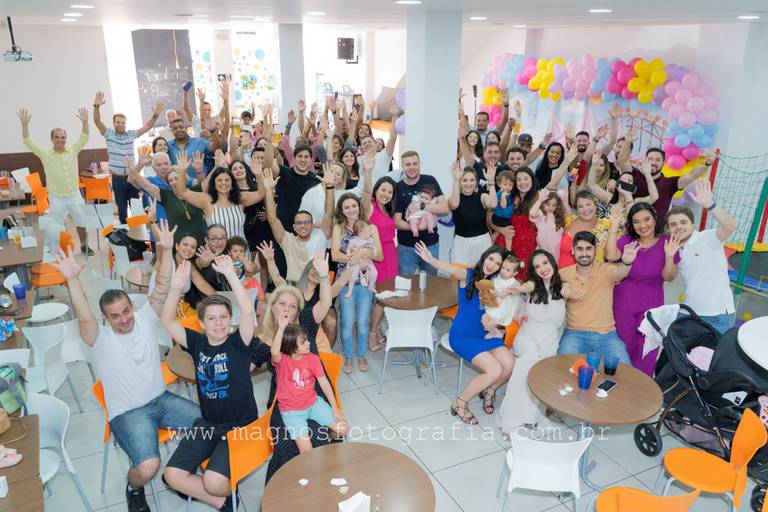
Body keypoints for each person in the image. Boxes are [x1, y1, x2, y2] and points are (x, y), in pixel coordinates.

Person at [52, 220, 200, 512]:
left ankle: (178, 475)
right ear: (106, 319)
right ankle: (134, 489)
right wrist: (72, 280)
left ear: (132, 307)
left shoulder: (145, 319)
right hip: (128, 414)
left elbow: (162, 286)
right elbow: (84, 316)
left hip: (161, 400)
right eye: (115, 316)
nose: (124, 319)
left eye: (126, 311)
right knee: (147, 466)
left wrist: (166, 250)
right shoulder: (99, 339)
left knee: (208, 427)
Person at [160, 254, 258, 510]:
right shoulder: (197, 343)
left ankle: (220, 486)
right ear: (201, 323)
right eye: (212, 319)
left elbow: (248, 310)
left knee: (213, 481)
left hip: (240, 426)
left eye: (224, 317)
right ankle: (224, 502)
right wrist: (175, 288)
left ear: (231, 319)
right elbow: (167, 321)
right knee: (172, 475)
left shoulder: (239, 343)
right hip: (209, 423)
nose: (218, 323)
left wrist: (230, 274)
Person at [415, 243, 516, 424]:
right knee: (495, 370)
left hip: (485, 334)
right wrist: (432, 260)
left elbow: (500, 309)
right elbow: (453, 269)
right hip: (463, 335)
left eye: (497, 264)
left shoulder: (495, 284)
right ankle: (460, 403)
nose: (492, 265)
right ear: (484, 257)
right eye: (491, 259)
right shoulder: (468, 275)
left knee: (510, 364)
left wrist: (496, 326)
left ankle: (490, 390)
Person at [496, 250, 567, 434]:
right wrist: (519, 289)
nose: (542, 268)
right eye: (537, 266)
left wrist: (572, 292)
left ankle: (532, 418)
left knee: (540, 367)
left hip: (549, 341)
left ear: (552, 263)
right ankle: (511, 420)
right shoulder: (533, 285)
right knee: (528, 362)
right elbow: (526, 287)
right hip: (527, 338)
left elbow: (568, 291)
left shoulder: (563, 288)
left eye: (545, 263)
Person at [606, 203, 680, 375]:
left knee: (647, 349)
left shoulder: (667, 243)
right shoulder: (627, 241)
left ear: (655, 219)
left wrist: (669, 256)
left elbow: (669, 277)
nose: (643, 225)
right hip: (623, 303)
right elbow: (610, 255)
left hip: (652, 303)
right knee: (622, 346)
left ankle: (642, 388)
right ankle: (620, 384)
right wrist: (614, 227)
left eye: (647, 219)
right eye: (637, 221)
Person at [666, 180, 737, 333]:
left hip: (718, 315)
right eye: (673, 224)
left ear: (693, 225)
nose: (678, 227)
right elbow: (669, 277)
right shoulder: (672, 248)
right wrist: (669, 256)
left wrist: (710, 205)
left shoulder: (707, 238)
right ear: (669, 229)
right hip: (688, 312)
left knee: (716, 350)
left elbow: (731, 226)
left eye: (683, 222)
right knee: (674, 347)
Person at [17, 107, 92, 254]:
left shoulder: (72, 150)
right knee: (57, 225)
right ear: (52, 139)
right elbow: (28, 141)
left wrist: (85, 122)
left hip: (74, 195)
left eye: (63, 137)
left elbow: (84, 137)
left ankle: (84, 245)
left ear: (65, 139)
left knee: (82, 221)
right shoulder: (45, 153)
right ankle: (59, 249)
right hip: (56, 197)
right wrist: (24, 125)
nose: (60, 140)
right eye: (57, 137)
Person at [557, 231, 636, 364]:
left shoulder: (606, 270)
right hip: (574, 333)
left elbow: (620, 273)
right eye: (579, 249)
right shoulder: (563, 274)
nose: (584, 253)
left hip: (606, 334)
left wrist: (627, 262)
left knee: (624, 368)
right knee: (563, 366)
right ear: (572, 251)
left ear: (595, 250)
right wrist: (563, 292)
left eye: (588, 248)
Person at [270, 320, 348, 453]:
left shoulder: (313, 358)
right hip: (292, 412)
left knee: (344, 429)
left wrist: (335, 409)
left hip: (313, 403)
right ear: (291, 346)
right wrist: (281, 328)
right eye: (303, 342)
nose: (308, 343)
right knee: (307, 452)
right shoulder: (282, 360)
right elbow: (274, 351)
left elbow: (324, 383)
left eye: (306, 339)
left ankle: (330, 437)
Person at [332, 193, 384, 374]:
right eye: (346, 207)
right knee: (347, 322)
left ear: (359, 207)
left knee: (363, 322)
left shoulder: (371, 227)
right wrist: (354, 258)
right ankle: (348, 356)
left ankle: (361, 355)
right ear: (342, 210)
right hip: (345, 279)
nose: (351, 210)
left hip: (365, 281)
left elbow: (380, 255)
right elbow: (335, 255)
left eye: (354, 205)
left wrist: (362, 254)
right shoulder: (338, 228)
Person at [93, 91, 163, 223]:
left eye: (123, 122)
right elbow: (97, 121)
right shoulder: (108, 134)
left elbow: (146, 127)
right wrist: (96, 106)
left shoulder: (131, 134)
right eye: (118, 122)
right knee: (122, 212)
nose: (120, 124)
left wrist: (155, 115)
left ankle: (139, 233)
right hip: (117, 179)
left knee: (137, 211)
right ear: (114, 123)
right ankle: (124, 234)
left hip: (132, 178)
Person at [616, 127, 712, 219]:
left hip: (657, 229)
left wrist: (706, 164)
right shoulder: (636, 176)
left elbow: (691, 175)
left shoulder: (669, 183)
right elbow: (622, 162)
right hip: (632, 226)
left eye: (658, 160)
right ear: (645, 160)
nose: (653, 163)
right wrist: (627, 142)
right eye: (650, 159)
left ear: (663, 163)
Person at [261, 163, 333, 283]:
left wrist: (329, 187)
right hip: (292, 287)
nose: (303, 225)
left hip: (315, 285)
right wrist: (269, 191)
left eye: (306, 222)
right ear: (294, 227)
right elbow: (272, 219)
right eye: (299, 223)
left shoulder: (321, 238)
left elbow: (329, 214)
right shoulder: (287, 240)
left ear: (312, 225)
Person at [174, 158, 265, 240]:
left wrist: (259, 175)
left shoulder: (240, 198)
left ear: (232, 184)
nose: (223, 183)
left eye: (227, 180)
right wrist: (182, 170)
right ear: (214, 184)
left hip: (240, 250)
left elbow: (261, 193)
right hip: (217, 251)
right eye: (219, 180)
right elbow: (181, 192)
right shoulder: (206, 200)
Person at [127, 154, 207, 243]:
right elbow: (131, 180)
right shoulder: (151, 181)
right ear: (153, 167)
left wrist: (199, 170)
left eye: (166, 163)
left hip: (184, 233)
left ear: (170, 163)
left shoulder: (181, 177)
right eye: (159, 165)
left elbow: (201, 185)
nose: (163, 167)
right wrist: (140, 164)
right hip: (159, 232)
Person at [393, 151, 450, 275]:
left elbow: (444, 209)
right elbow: (397, 222)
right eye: (408, 164)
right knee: (405, 284)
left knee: (431, 283)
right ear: (402, 166)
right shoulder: (398, 187)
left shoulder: (430, 180)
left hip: (430, 245)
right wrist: (417, 227)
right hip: (406, 247)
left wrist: (422, 206)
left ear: (419, 164)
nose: (412, 167)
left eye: (415, 163)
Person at [362, 172, 398, 351]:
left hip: (391, 254)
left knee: (386, 296)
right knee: (382, 298)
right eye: (383, 190)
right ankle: (371, 333)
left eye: (390, 192)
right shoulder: (370, 206)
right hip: (377, 256)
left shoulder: (387, 210)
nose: (386, 194)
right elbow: (366, 192)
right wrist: (368, 171)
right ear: (376, 191)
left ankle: (376, 329)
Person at [489, 167, 540, 279]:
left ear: (532, 180)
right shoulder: (507, 196)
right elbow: (490, 219)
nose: (523, 182)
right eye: (519, 179)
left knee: (522, 278)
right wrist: (500, 230)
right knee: (501, 279)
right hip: (506, 244)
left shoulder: (538, 199)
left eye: (526, 178)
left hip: (526, 247)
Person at [448, 162, 497, 266]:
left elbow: (493, 204)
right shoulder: (454, 198)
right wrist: (456, 180)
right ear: (460, 182)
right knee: (459, 273)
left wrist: (491, 182)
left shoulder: (482, 197)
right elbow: (454, 205)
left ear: (476, 182)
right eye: (464, 180)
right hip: (461, 244)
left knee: (482, 274)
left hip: (483, 243)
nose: (468, 183)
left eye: (472, 180)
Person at [560, 190, 612, 268]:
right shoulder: (569, 221)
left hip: (591, 273)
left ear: (595, 205)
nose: (585, 209)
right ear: (577, 209)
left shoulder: (606, 226)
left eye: (588, 204)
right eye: (580, 206)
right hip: (560, 271)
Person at [483, 253, 523, 339]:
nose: (503, 271)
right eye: (503, 267)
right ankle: (495, 331)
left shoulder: (513, 285)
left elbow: (501, 295)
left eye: (508, 270)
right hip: (496, 301)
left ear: (515, 273)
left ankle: (494, 333)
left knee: (492, 319)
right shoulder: (498, 277)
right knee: (484, 317)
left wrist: (494, 292)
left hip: (504, 306)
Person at [529, 189, 569, 264]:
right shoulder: (541, 214)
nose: (550, 207)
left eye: (553, 205)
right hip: (545, 248)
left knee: (557, 266)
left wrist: (565, 201)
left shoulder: (557, 216)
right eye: (547, 204)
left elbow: (569, 216)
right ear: (543, 203)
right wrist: (540, 200)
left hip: (558, 248)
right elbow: (532, 213)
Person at [343, 220, 378, 298]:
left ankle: (371, 286)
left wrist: (374, 251)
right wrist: (349, 254)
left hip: (367, 261)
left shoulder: (370, 240)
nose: (370, 232)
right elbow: (349, 250)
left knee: (374, 273)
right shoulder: (354, 241)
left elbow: (374, 249)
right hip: (356, 263)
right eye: (368, 230)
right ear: (361, 232)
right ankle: (350, 290)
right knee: (353, 275)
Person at [491, 170, 516, 251]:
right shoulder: (500, 194)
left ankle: (491, 245)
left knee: (496, 233)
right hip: (500, 217)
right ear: (499, 184)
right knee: (509, 233)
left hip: (502, 217)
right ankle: (508, 250)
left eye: (510, 185)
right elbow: (503, 205)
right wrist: (503, 197)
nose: (507, 187)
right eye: (505, 184)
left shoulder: (508, 194)